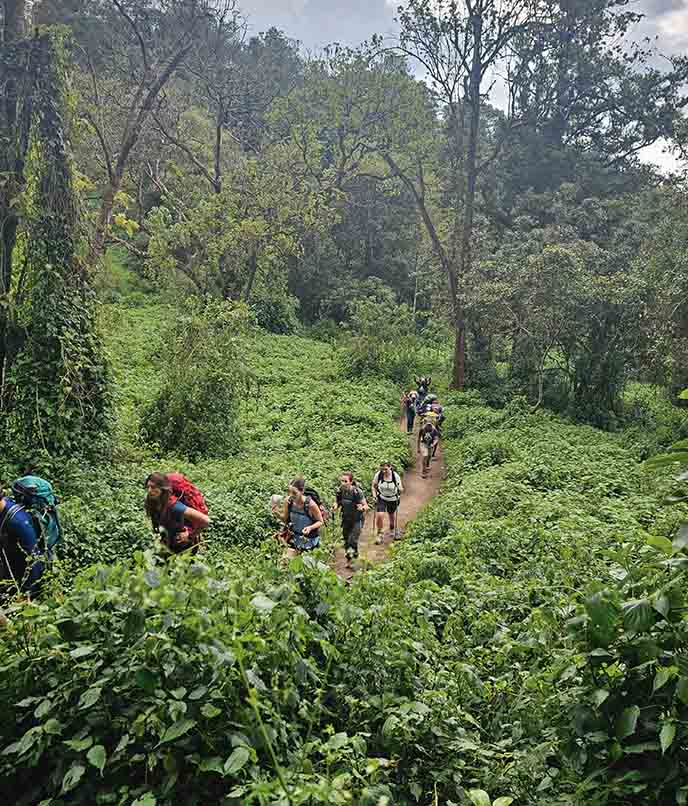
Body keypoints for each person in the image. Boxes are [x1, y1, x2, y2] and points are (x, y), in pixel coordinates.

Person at [0, 476, 61, 599]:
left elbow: (35, 560)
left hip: (29, 577)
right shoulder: (5, 506)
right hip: (12, 565)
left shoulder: (18, 522)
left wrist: (26, 594)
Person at [145, 473, 209, 554]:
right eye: (148, 487)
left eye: (153, 487)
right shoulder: (152, 501)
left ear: (162, 489)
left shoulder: (174, 505)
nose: (149, 490)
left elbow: (205, 520)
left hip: (184, 547)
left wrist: (190, 535)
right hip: (167, 544)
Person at [332, 472, 368, 564]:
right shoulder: (340, 490)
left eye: (345, 481)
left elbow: (366, 506)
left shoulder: (357, 492)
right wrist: (335, 505)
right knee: (346, 539)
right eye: (342, 481)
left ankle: (355, 557)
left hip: (357, 519)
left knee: (352, 539)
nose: (343, 483)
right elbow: (338, 501)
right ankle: (349, 558)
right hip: (346, 519)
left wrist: (362, 508)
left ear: (351, 482)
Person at [281, 478, 323, 552]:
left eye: (294, 493)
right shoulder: (288, 502)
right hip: (292, 538)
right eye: (289, 492)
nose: (291, 495)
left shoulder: (311, 505)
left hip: (309, 541)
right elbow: (285, 519)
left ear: (302, 491)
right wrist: (276, 513)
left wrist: (310, 528)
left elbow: (320, 521)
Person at [372, 462, 403, 544]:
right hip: (382, 498)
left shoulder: (395, 476)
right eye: (382, 469)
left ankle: (392, 528)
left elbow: (400, 488)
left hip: (393, 499)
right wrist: (374, 496)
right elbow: (374, 486)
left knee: (391, 515)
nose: (384, 471)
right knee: (380, 515)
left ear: (390, 467)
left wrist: (400, 490)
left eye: (385, 469)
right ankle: (379, 534)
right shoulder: (378, 475)